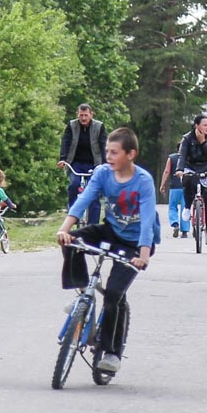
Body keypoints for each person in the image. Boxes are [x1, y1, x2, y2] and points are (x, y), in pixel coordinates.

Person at [56, 127, 157, 375]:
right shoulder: (103, 173)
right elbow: (83, 200)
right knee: (73, 241)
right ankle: (82, 292)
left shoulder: (143, 181)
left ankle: (111, 353)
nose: (109, 157)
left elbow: (146, 222)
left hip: (134, 244)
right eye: (107, 152)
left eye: (114, 152)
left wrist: (142, 256)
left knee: (113, 294)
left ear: (130, 154)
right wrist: (64, 229)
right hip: (110, 231)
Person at [57, 103, 106, 224]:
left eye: (86, 115)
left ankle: (93, 225)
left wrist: (105, 163)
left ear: (91, 115)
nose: (83, 118)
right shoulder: (72, 125)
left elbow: (104, 144)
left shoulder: (99, 126)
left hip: (94, 164)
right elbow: (65, 142)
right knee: (74, 185)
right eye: (81, 115)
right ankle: (74, 215)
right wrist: (63, 159)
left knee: (94, 193)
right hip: (76, 164)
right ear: (77, 115)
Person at [177, 115, 207, 247]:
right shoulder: (187, 138)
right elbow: (182, 155)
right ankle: (186, 207)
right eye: (204, 125)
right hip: (191, 167)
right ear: (197, 125)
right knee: (187, 181)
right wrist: (180, 169)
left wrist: (203, 142)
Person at [160, 150, 189, 238]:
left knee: (172, 207)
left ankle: (175, 223)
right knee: (185, 208)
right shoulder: (189, 157)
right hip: (187, 186)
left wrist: (162, 184)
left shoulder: (172, 158)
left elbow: (167, 171)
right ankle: (184, 231)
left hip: (175, 187)